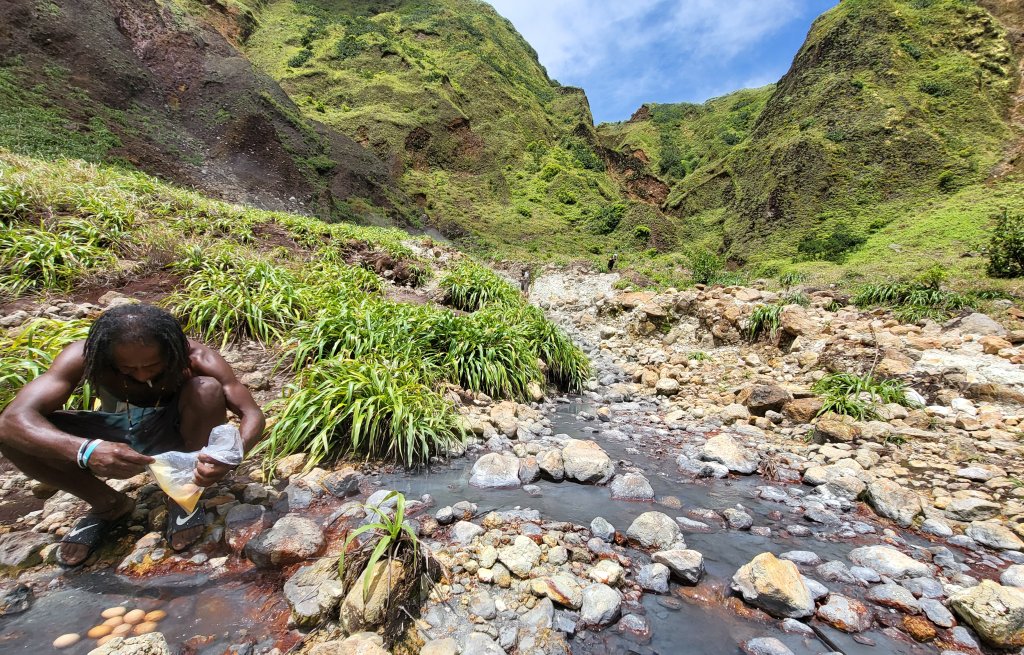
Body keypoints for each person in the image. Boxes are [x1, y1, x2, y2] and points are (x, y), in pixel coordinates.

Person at [0, 303, 266, 566]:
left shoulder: (196, 357)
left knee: (206, 389)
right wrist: (86, 450)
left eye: (153, 365)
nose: (142, 374)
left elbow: (252, 414)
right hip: (117, 432)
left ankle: (183, 494)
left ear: (171, 350)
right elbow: (11, 420)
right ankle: (108, 505)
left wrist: (230, 454)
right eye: (127, 369)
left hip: (178, 435)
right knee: (13, 437)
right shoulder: (83, 356)